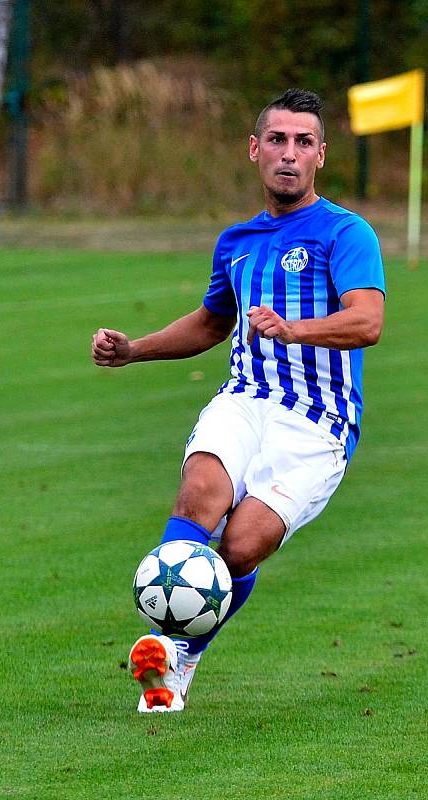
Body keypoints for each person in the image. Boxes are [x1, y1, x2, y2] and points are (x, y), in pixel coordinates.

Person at [92, 88, 386, 713]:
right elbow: (211, 321)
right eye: (277, 140)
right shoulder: (236, 241)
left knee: (241, 547)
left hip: (318, 424)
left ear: (320, 156)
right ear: (255, 150)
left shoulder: (346, 233)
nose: (289, 154)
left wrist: (292, 328)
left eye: (303, 143)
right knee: (201, 493)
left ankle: (182, 655)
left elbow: (367, 323)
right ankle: (166, 655)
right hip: (245, 398)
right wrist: (133, 349)